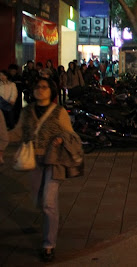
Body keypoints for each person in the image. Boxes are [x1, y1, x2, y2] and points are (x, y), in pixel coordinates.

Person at [7, 76, 83, 262]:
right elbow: (17, 132)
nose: (40, 90)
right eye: (37, 87)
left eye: (44, 87)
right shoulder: (27, 112)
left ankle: (49, 244)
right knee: (38, 200)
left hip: (53, 161)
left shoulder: (59, 112)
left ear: (51, 91)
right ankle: (51, 219)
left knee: (49, 202)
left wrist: (60, 139)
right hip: (33, 161)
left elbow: (70, 135)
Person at [0, 70, 18, 161]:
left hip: (9, 104)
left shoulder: (11, 84)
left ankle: (11, 136)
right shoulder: (0, 85)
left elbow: (14, 93)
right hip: (1, 104)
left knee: (10, 120)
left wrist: (12, 100)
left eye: (3, 75)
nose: (1, 77)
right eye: (0, 75)